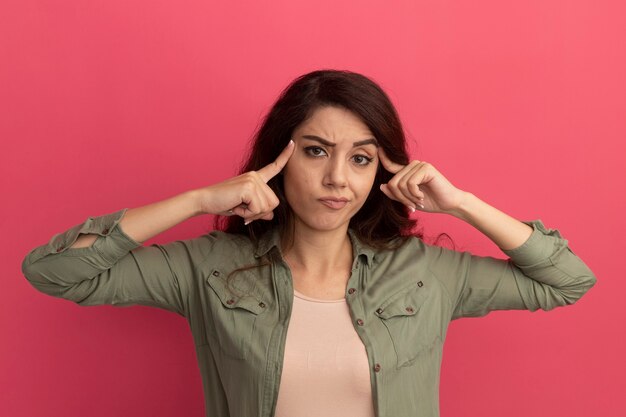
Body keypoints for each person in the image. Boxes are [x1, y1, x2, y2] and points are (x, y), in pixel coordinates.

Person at [21, 69, 596, 417]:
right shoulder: (209, 269)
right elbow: (55, 272)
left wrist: (462, 202)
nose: (337, 179)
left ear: (380, 172)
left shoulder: (426, 273)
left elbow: (569, 279)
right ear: (280, 156)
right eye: (316, 150)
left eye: (361, 158)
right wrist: (197, 200)